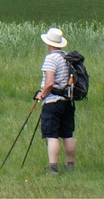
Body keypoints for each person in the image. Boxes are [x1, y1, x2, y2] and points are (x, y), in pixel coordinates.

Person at [34, 26, 78, 173]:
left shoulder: (51, 59)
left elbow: (50, 82)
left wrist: (42, 94)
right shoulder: (67, 58)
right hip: (67, 101)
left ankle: (53, 167)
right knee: (67, 134)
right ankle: (70, 165)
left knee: (51, 135)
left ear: (49, 43)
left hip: (53, 102)